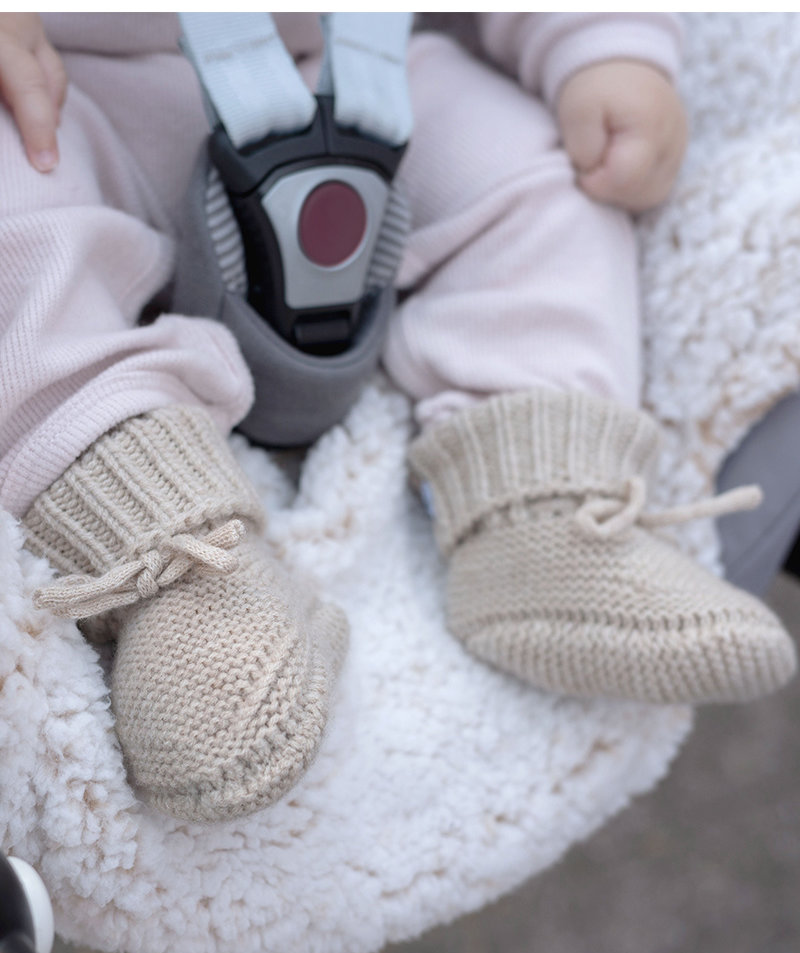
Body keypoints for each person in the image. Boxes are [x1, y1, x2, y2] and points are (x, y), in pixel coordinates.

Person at [0, 14, 794, 823]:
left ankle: (538, 509)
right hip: (75, 89)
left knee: (538, 175)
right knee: (17, 240)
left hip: (362, 70)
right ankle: (169, 569)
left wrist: (604, 46)